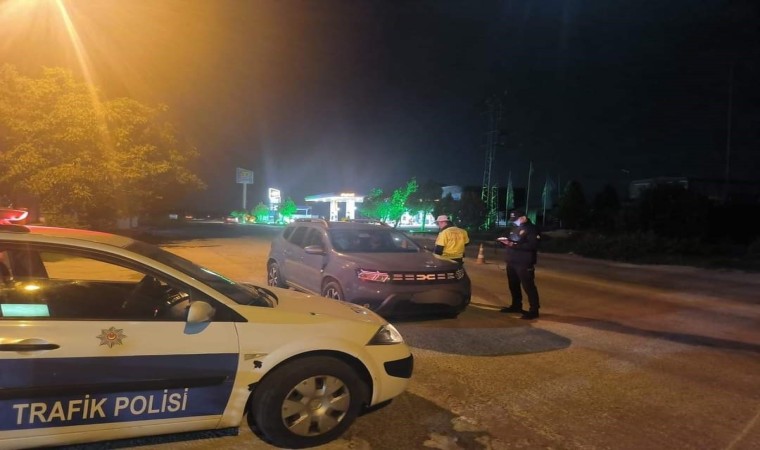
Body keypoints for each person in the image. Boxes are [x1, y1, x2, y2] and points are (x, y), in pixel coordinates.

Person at [497, 210, 541, 320]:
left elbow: (532, 245)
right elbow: (513, 241)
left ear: (523, 217)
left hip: (524, 263)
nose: (514, 222)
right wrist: (505, 242)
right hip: (512, 262)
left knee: (528, 286)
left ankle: (534, 310)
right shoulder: (515, 228)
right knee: (513, 285)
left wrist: (513, 245)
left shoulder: (532, 229)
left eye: (516, 219)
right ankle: (516, 305)